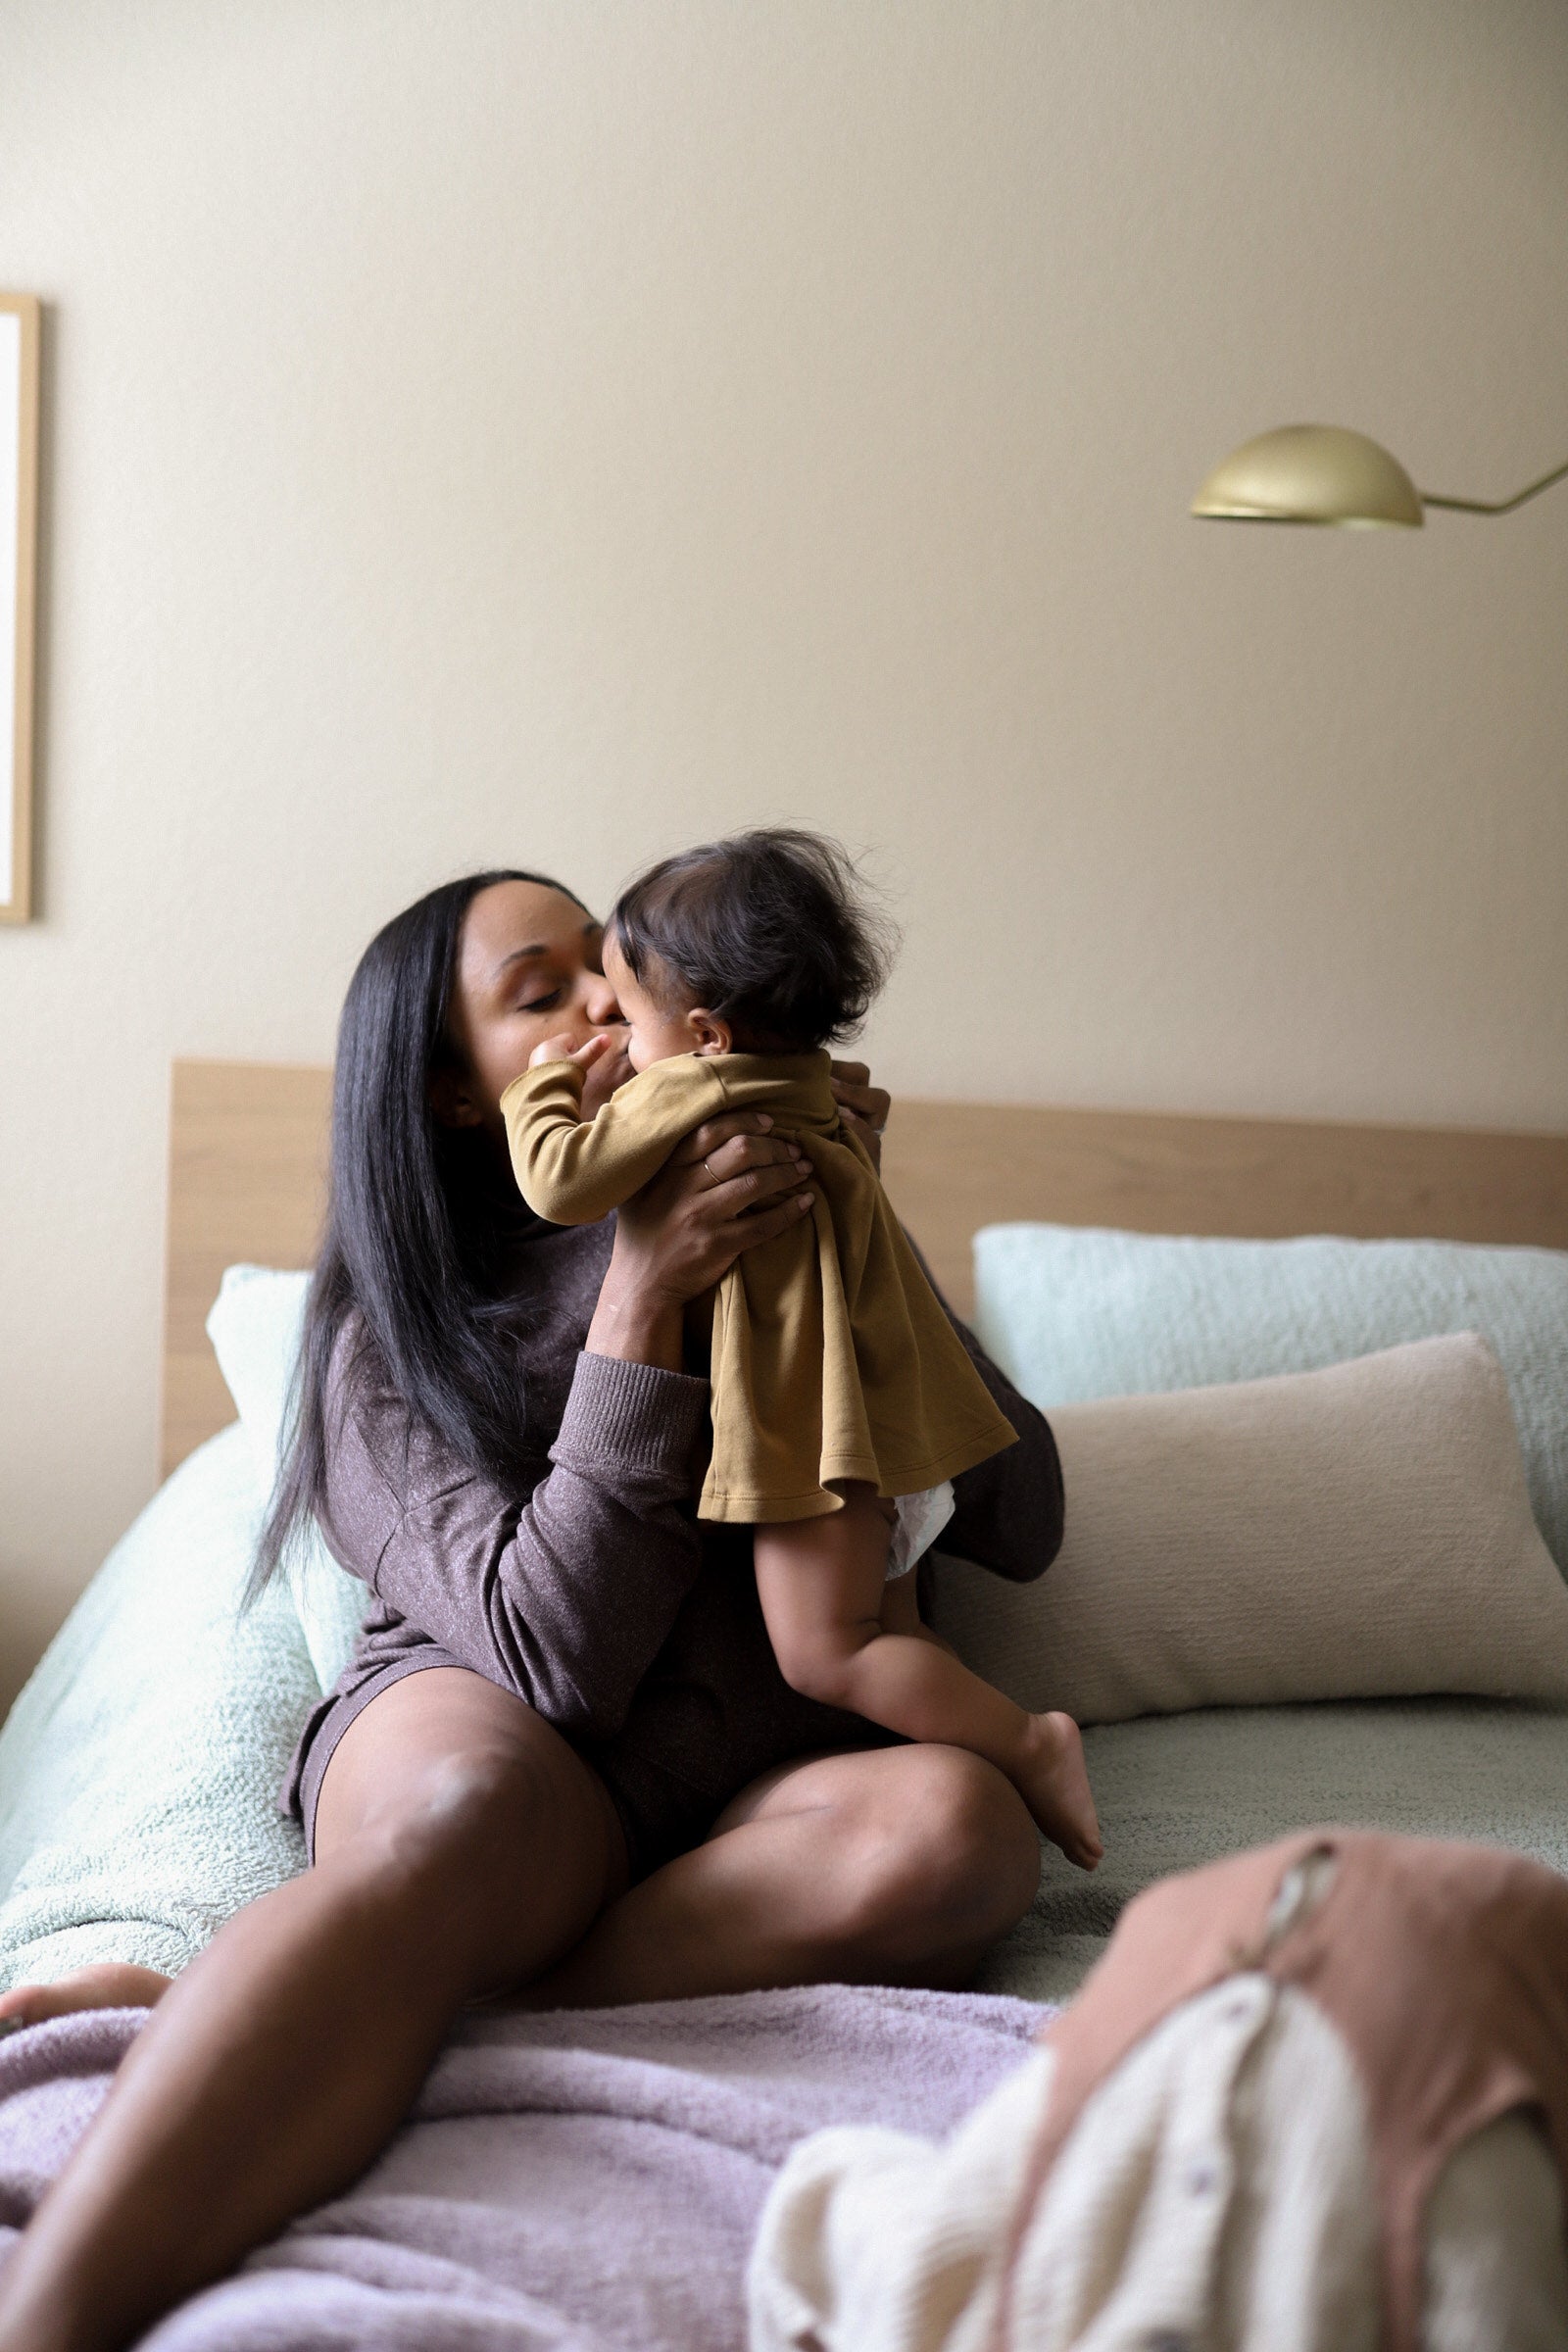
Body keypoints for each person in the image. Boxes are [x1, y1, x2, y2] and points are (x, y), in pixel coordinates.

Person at [0, 865, 1063, 2352]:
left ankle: (319, 2003)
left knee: (963, 1836)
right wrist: (639, 1299)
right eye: (538, 991)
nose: (600, 1008)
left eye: (603, 974)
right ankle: (46, 2320)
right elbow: (551, 1660)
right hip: (495, 1719)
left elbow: (1028, 1523)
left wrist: (861, 1238)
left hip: (751, 1791)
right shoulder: (387, 1336)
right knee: (456, 1826)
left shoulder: (784, 1204)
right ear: (454, 1092)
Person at [505, 830, 1101, 1869]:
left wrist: (541, 1090)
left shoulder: (689, 1088)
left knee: (829, 1653)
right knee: (895, 1643)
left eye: (624, 1009)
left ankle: (1026, 1740)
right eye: (541, 997)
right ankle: (959, 1770)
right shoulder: (820, 1092)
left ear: (703, 1032)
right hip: (896, 1445)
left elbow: (560, 1182)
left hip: (825, 1457)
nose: (607, 1027)